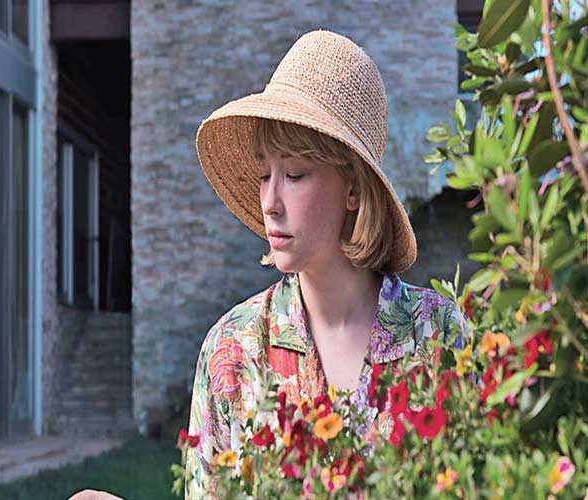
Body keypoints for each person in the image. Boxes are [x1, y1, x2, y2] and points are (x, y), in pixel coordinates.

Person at [184, 29, 468, 499]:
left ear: (353, 188)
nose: (270, 202)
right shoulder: (232, 351)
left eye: (295, 174)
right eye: (264, 174)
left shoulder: (437, 334)